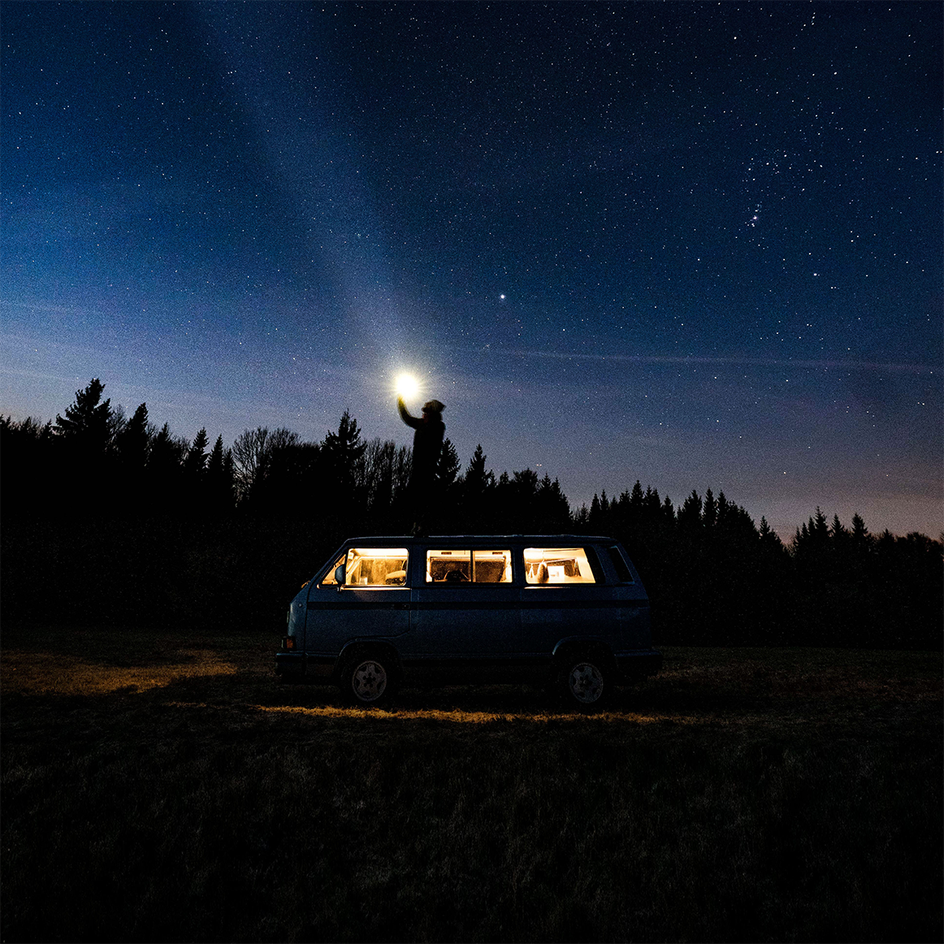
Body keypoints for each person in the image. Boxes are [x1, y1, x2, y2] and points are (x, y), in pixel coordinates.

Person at [397, 396, 445, 536]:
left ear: (431, 414)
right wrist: (401, 402)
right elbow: (407, 418)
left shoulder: (436, 426)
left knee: (422, 499)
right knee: (414, 498)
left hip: (427, 469)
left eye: (426, 411)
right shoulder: (424, 424)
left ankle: (422, 526)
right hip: (418, 468)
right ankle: (414, 526)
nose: (423, 413)